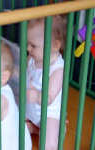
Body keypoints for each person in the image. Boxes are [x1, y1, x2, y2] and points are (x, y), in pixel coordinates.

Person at [26, 15, 67, 150]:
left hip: (48, 114)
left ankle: (58, 127)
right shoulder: (32, 59)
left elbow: (49, 97)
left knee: (48, 145)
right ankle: (35, 129)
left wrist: (37, 96)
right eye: (28, 43)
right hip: (30, 109)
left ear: (55, 45)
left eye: (33, 45)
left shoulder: (58, 70)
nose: (28, 48)